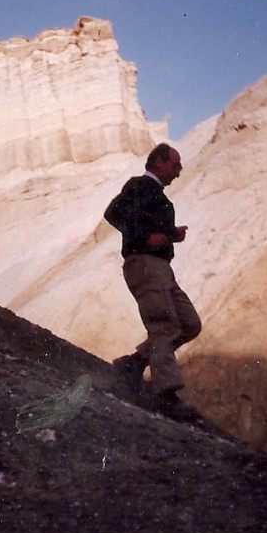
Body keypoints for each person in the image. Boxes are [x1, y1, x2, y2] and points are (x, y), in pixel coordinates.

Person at [104, 143, 201, 420]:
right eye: (176, 165)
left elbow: (145, 223)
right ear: (159, 162)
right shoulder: (140, 185)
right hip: (144, 264)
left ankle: (133, 364)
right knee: (164, 325)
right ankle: (167, 396)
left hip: (160, 267)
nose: (178, 172)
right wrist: (142, 239)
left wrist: (171, 233)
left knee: (189, 324)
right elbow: (114, 214)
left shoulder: (154, 193)